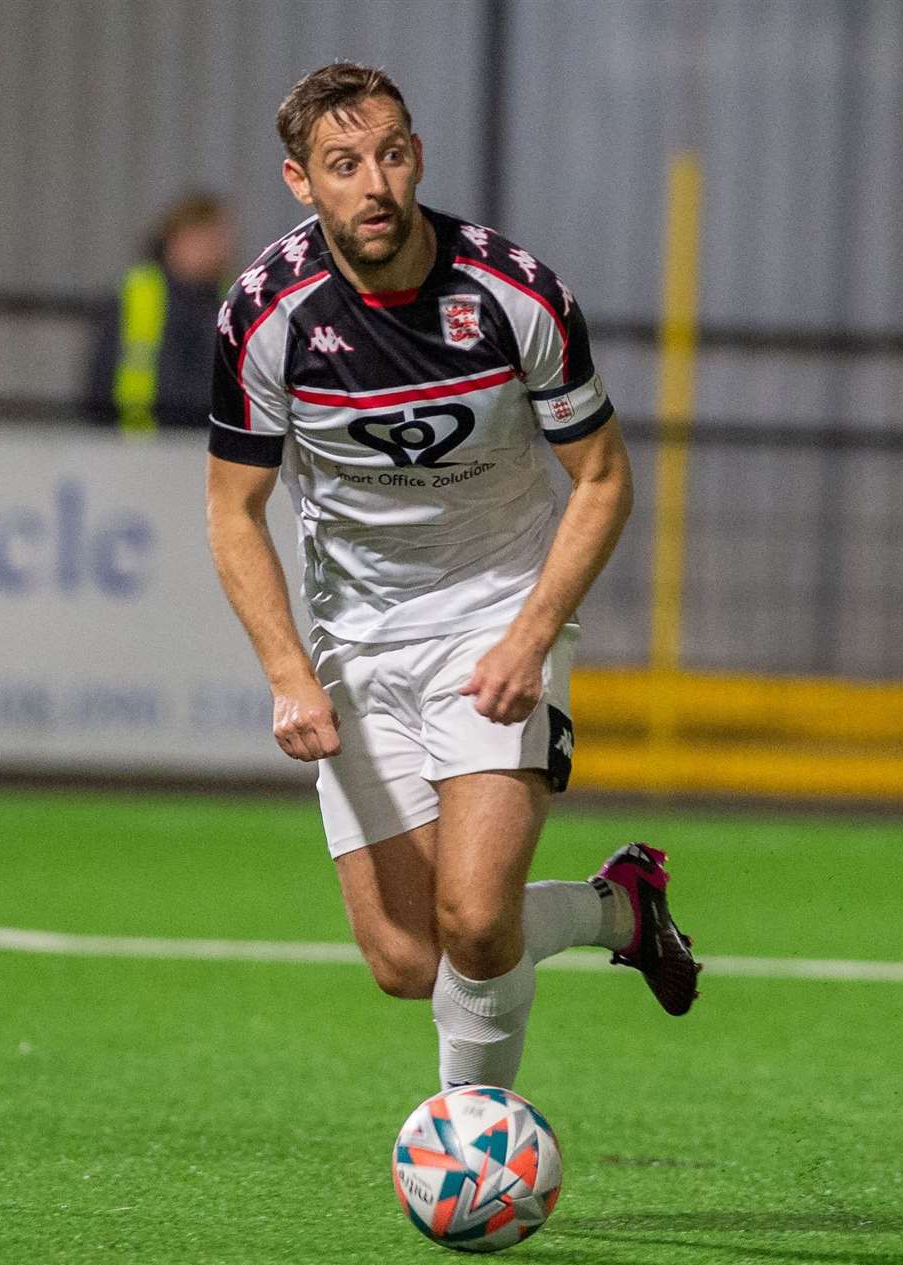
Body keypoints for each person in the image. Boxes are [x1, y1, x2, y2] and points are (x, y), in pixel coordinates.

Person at [207, 63, 700, 1091]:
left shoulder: (514, 295)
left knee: (476, 922)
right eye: (344, 164)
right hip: (356, 640)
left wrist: (530, 634)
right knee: (408, 960)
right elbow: (233, 509)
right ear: (302, 181)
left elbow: (604, 480)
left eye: (390, 154)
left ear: (416, 155)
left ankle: (475, 1138)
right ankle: (620, 907)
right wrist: (288, 671)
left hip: (494, 618)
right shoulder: (265, 316)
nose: (374, 183)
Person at [87, 193, 233, 433]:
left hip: (208, 444)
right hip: (133, 441)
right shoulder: (139, 291)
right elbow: (101, 376)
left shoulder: (232, 299)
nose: (214, 249)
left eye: (218, 239)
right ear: (174, 240)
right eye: (203, 238)